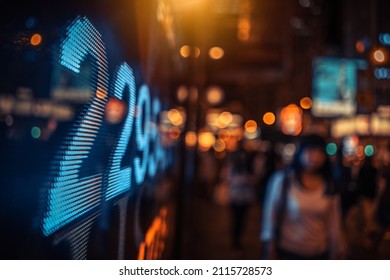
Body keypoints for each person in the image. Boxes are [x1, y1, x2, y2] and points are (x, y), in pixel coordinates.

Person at [260, 134, 346, 260]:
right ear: (301, 152)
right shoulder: (283, 180)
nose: (315, 157)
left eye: (320, 152)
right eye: (311, 151)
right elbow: (270, 215)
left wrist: (339, 249)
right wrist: (270, 248)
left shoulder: (329, 185)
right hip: (287, 252)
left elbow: (334, 222)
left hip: (319, 254)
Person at [226, 143, 256, 254]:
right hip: (235, 196)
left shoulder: (248, 167)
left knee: (242, 220)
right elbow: (229, 179)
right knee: (236, 220)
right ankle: (235, 241)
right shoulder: (233, 167)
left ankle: (237, 241)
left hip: (245, 197)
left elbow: (254, 179)